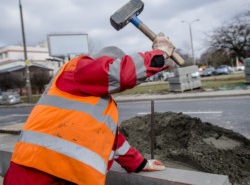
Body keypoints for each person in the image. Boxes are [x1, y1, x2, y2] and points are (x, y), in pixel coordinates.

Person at [4, 33, 177, 185]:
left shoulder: (100, 103)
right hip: (36, 173)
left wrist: (141, 164)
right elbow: (120, 73)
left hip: (63, 176)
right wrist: (159, 54)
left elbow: (114, 142)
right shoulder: (78, 69)